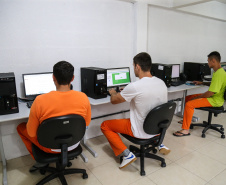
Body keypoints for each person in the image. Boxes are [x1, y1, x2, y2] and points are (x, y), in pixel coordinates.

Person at [101, 52, 170, 169]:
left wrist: (113, 92)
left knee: (105, 125)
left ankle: (127, 155)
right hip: (158, 128)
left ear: (137, 66)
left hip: (140, 129)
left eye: (133, 66)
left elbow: (114, 101)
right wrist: (128, 90)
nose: (134, 68)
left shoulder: (135, 86)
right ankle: (159, 143)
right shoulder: (161, 82)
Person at [17, 61, 91, 170]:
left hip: (49, 147)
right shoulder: (83, 97)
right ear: (73, 78)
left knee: (21, 127)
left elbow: (32, 134)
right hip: (74, 143)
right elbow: (86, 124)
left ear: (53, 77)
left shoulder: (39, 100)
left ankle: (40, 161)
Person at [173, 51, 226, 137]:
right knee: (188, 98)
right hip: (214, 97)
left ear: (213, 61)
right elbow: (214, 84)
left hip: (215, 100)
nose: (208, 63)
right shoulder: (219, 72)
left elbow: (210, 93)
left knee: (190, 104)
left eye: (208, 61)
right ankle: (187, 120)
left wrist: (198, 97)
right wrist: (202, 83)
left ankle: (185, 130)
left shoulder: (219, 74)